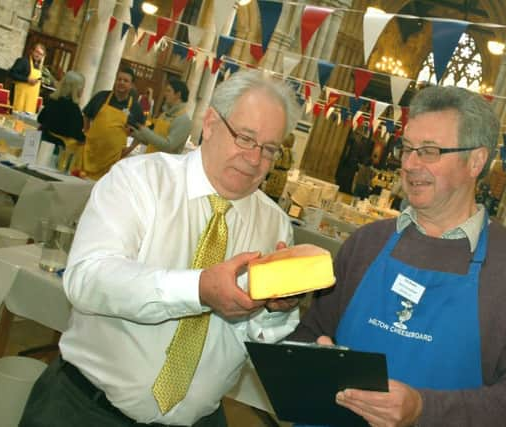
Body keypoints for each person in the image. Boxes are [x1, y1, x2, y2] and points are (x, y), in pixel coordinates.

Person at [20, 70, 303, 427]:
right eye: (246, 138)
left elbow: (256, 337)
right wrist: (198, 289)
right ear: (212, 123)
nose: (254, 159)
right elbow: (88, 279)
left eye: (269, 149)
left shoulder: (274, 224)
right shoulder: (138, 180)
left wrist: (275, 309)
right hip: (84, 411)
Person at [288, 86, 506, 427]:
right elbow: (310, 331)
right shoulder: (367, 242)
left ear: (475, 161)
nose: (411, 165)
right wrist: (314, 356)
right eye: (407, 149)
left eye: (429, 151)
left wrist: (423, 409)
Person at [81, 65, 145, 180]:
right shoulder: (101, 97)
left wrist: (130, 148)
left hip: (112, 160)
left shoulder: (135, 107)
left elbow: (141, 131)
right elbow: (86, 114)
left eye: (125, 81)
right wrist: (86, 132)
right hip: (90, 154)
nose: (121, 82)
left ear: (131, 85)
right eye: (119, 79)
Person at [126, 78, 192, 155]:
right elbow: (152, 140)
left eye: (168, 91)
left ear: (178, 95)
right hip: (150, 160)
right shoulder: (164, 115)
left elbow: (168, 146)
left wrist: (144, 130)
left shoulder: (183, 120)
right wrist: (133, 132)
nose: (165, 94)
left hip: (162, 165)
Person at [9, 43, 45, 113]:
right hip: (19, 98)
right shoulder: (23, 61)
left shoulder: (38, 66)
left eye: (40, 54)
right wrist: (27, 79)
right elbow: (11, 73)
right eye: (37, 52)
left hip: (30, 100)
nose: (38, 55)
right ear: (32, 51)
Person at [264, 133, 294, 202]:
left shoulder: (282, 150)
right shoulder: (290, 152)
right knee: (275, 198)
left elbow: (274, 159)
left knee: (269, 197)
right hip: (283, 176)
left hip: (276, 176)